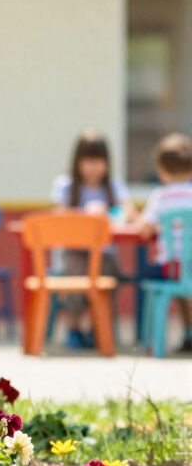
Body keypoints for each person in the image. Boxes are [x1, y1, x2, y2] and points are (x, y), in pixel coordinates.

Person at [49, 131, 133, 349]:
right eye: (88, 160)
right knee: (75, 280)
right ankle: (74, 327)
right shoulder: (65, 186)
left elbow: (128, 213)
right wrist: (84, 214)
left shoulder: (114, 186)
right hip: (74, 251)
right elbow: (58, 216)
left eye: (99, 160)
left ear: (107, 163)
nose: (93, 166)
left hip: (105, 253)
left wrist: (112, 213)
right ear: (77, 162)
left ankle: (99, 328)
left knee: (110, 276)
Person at [137, 132, 192, 354]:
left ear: (161, 171)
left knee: (163, 279)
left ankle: (151, 342)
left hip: (171, 268)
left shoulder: (160, 196)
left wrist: (137, 218)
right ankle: (189, 332)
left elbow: (144, 229)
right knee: (185, 283)